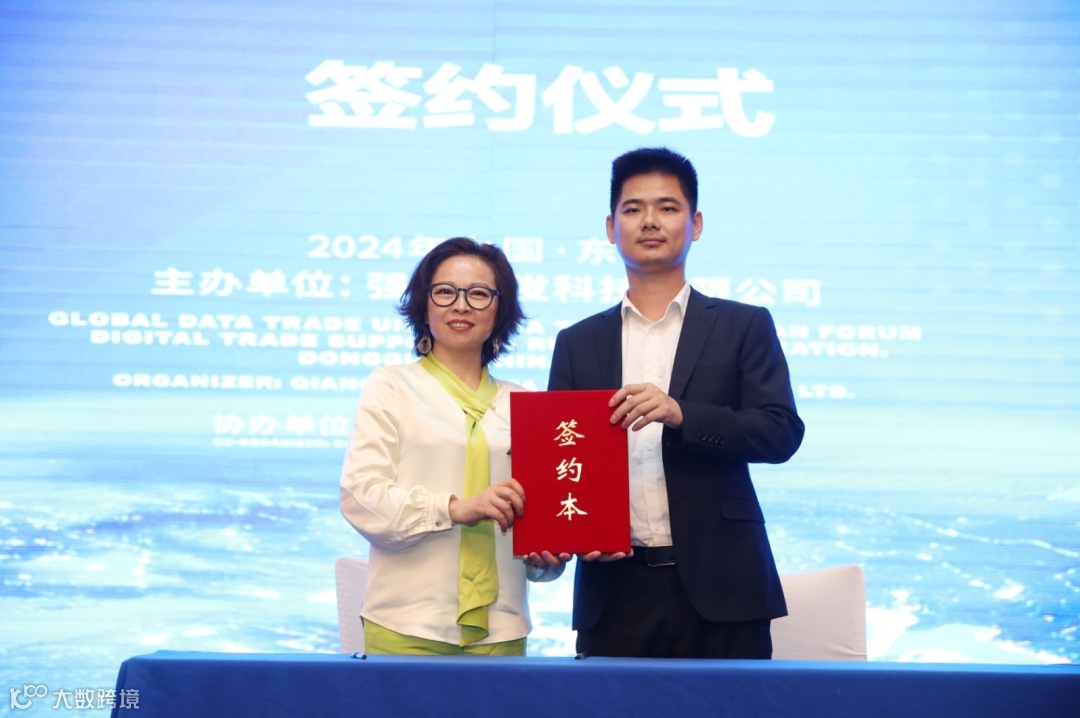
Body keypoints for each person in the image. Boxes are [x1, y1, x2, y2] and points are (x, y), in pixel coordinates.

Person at [546, 147, 805, 659]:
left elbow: (780, 433)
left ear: (696, 224)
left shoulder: (743, 325)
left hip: (724, 586)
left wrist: (682, 414)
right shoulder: (577, 342)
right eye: (633, 208)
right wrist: (572, 534)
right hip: (613, 591)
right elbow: (562, 460)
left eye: (667, 207)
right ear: (611, 227)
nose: (649, 221)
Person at [340, 237, 564, 656]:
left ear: (500, 310)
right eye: (445, 292)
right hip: (407, 623)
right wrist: (455, 508)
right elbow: (361, 498)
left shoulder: (526, 404)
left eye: (479, 294)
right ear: (423, 305)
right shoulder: (390, 386)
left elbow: (538, 530)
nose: (461, 306)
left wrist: (546, 558)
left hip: (502, 629)